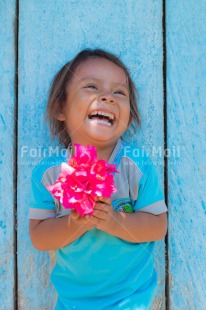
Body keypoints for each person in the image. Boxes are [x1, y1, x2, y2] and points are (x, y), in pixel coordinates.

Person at [29, 49, 168, 310]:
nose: (107, 97)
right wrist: (75, 223)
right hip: (72, 301)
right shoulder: (48, 174)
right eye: (91, 86)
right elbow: (39, 236)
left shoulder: (135, 165)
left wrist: (114, 221)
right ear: (61, 108)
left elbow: (158, 225)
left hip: (130, 298)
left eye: (119, 93)